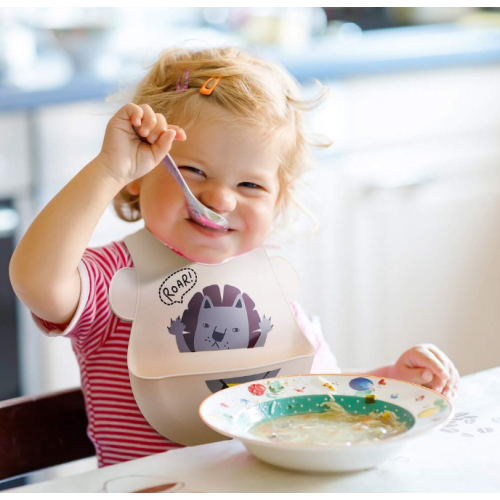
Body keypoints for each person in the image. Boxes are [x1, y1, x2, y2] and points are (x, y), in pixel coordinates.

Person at [9, 46, 459, 468]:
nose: (220, 199)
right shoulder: (110, 276)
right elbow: (36, 281)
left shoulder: (268, 281)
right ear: (138, 175)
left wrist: (391, 380)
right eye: (192, 171)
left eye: (250, 186)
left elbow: (306, 390)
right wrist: (108, 169)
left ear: (279, 201)